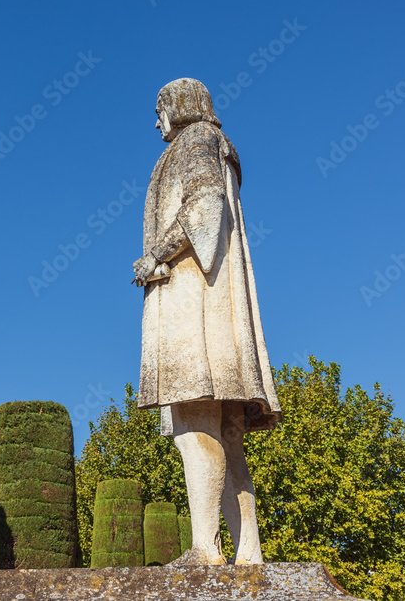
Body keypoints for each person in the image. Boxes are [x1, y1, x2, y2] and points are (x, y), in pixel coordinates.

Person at [133, 78, 281, 565]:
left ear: (179, 105)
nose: (157, 121)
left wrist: (156, 253)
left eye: (160, 109)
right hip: (218, 307)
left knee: (193, 422)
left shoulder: (194, 140)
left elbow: (205, 207)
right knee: (229, 437)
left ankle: (204, 548)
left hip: (195, 304)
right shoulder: (216, 144)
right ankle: (249, 554)